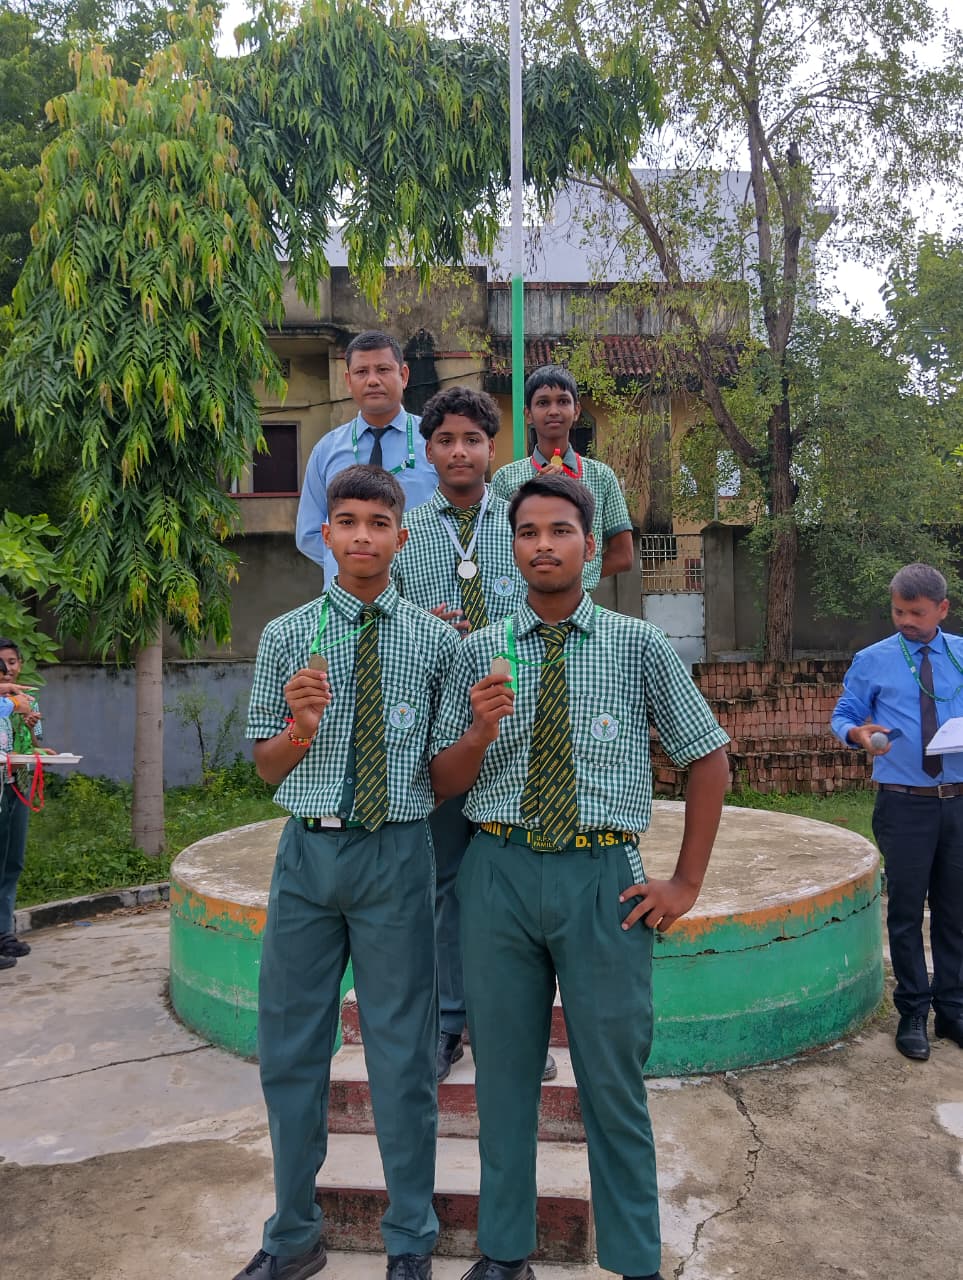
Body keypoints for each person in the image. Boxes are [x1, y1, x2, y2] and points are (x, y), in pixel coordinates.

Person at [429, 471, 730, 1280]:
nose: (543, 545)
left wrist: (684, 884)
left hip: (603, 881)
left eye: (560, 531)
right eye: (527, 532)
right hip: (496, 875)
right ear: (511, 548)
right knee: (503, 1078)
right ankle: (504, 1252)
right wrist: (477, 733)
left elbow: (707, 758)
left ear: (589, 548)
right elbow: (441, 782)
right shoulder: (478, 653)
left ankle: (633, 1259)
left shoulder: (638, 646)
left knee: (612, 1081)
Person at [237, 464, 458, 1280]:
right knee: (290, 1050)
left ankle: (410, 1236)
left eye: (378, 522)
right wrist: (300, 726)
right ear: (325, 535)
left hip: (395, 854)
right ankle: (292, 1234)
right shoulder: (287, 636)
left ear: (401, 536)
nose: (362, 535)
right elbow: (266, 768)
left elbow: (442, 775)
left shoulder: (435, 644)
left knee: (402, 1056)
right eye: (348, 522)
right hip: (307, 856)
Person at [392, 385, 554, 1083]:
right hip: (440, 733)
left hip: (517, 728)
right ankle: (447, 1022)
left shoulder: (522, 525)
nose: (459, 451)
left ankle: (509, 1028)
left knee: (516, 882)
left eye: (473, 440)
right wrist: (418, 623)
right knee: (445, 883)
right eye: (445, 440)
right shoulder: (406, 531)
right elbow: (383, 619)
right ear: (427, 451)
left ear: (493, 449)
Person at [831, 562, 963, 1061]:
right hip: (905, 804)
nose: (905, 621)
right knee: (906, 912)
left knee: (955, 911)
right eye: (898, 611)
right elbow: (844, 715)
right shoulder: (873, 660)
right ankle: (913, 1012)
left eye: (916, 613)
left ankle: (953, 1009)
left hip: (959, 802)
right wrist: (858, 734)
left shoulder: (962, 656)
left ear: (942, 609)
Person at [295, 330, 438, 585]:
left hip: (421, 592)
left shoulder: (434, 442)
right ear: (349, 381)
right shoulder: (326, 450)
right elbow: (309, 534)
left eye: (383, 370)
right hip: (347, 595)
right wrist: (357, 565)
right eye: (362, 372)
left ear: (403, 375)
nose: (372, 380)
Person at [489, 365, 634, 591]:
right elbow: (496, 550)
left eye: (563, 401)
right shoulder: (506, 478)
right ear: (528, 414)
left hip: (581, 600)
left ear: (576, 411)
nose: (554, 411)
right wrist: (531, 496)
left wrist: (573, 578)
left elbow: (623, 555)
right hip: (522, 601)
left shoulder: (601, 476)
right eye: (543, 403)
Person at [0, 651, 35, 972]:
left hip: (15, 786)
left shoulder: (22, 702)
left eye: (11, 663)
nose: (7, 672)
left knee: (12, 862)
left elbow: (23, 746)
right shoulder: (11, 703)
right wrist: (12, 703)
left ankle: (3, 933)